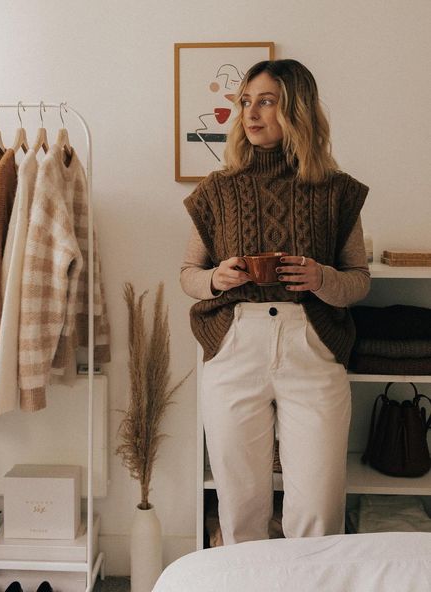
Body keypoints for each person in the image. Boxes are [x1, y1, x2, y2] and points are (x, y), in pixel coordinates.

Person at [180, 59, 370, 545]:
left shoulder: (336, 190)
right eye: (246, 101)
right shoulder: (216, 190)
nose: (251, 113)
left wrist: (320, 276)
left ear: (296, 109)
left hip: (313, 346)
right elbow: (188, 276)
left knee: (318, 505)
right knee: (240, 504)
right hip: (235, 344)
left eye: (266, 101)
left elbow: (359, 281)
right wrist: (217, 279)